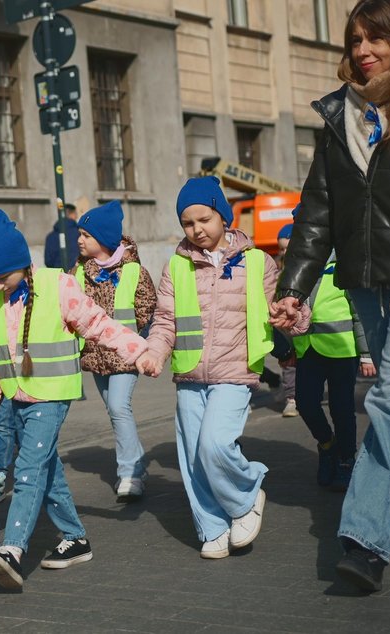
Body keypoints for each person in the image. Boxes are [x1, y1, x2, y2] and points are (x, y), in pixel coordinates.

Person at [270, 0, 390, 592]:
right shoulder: (339, 117)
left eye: (375, 38)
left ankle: (366, 540)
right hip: (365, 281)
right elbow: (318, 211)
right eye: (355, 39)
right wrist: (293, 286)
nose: (363, 49)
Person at [0, 208, 149, 590]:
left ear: (21, 262)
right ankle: (75, 539)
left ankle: (12, 548)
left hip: (53, 395)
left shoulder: (58, 285)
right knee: (46, 467)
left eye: (3, 277)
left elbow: (98, 324)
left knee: (29, 467)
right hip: (17, 396)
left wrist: (139, 350)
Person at [138, 176, 308, 560]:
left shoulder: (256, 261)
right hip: (189, 374)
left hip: (235, 371)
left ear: (224, 216)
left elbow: (283, 307)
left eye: (204, 219)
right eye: (188, 223)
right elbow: (165, 320)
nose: (197, 229)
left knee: (215, 444)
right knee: (194, 457)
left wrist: (293, 316)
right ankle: (212, 527)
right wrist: (154, 352)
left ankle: (246, 497)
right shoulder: (176, 266)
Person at [72, 200, 157, 501]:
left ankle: (130, 474)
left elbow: (149, 314)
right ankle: (137, 462)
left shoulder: (135, 272)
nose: (80, 240)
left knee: (120, 407)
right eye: (79, 234)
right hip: (96, 357)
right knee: (114, 412)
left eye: (86, 235)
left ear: (105, 240)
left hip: (127, 356)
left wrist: (144, 348)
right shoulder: (78, 273)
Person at [292, 255, 375, 491]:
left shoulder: (344, 267)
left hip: (342, 350)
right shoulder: (296, 267)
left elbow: (359, 312)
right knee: (305, 403)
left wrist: (366, 353)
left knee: (342, 408)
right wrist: (285, 345)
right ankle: (328, 445)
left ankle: (347, 459)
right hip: (307, 349)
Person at [275, 224, 298, 417]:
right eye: (281, 248)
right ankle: (291, 398)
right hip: (285, 325)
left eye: (287, 248)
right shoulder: (278, 269)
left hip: (303, 323)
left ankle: (298, 392)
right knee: (289, 362)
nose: (283, 252)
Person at [44, 203, 80, 271]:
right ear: (72, 214)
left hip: (57, 275)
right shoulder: (79, 234)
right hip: (76, 274)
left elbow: (48, 261)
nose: (76, 216)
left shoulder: (50, 236)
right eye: (76, 214)